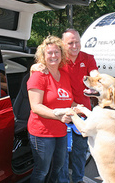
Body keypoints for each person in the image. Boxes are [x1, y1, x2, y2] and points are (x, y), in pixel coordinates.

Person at [31, 29, 99, 183]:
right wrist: (33, 68)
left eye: (77, 42)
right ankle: (63, 181)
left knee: (80, 151)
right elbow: (39, 69)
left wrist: (101, 81)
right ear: (63, 45)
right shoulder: (58, 60)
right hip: (62, 113)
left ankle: (78, 179)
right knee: (62, 157)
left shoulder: (87, 58)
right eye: (70, 43)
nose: (75, 45)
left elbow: (95, 74)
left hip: (80, 110)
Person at [27, 35, 74, 183]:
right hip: (42, 132)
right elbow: (35, 106)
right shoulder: (38, 75)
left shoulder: (65, 75)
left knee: (58, 166)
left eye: (56, 52)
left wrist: (78, 109)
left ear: (61, 54)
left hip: (60, 131)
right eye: (49, 53)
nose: (53, 56)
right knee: (42, 170)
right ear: (43, 55)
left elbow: (67, 100)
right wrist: (58, 115)